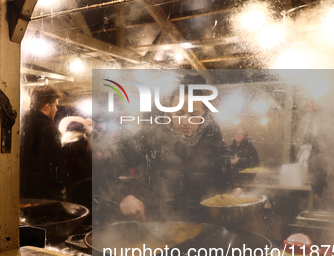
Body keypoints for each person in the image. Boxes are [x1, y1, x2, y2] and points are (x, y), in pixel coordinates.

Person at [116, 74, 235, 222]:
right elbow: (108, 167)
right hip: (157, 225)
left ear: (204, 112)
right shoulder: (151, 136)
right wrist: (123, 196)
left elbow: (226, 187)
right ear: (170, 107)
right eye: (179, 113)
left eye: (194, 114)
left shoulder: (215, 142)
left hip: (203, 227)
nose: (185, 121)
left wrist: (233, 195)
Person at [20, 85, 63, 200]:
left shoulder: (21, 123)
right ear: (47, 106)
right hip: (43, 193)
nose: (56, 109)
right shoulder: (49, 128)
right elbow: (52, 165)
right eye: (55, 105)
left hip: (19, 188)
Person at [61, 121, 92, 207]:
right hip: (91, 189)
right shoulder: (89, 144)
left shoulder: (66, 147)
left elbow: (63, 173)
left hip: (74, 191)